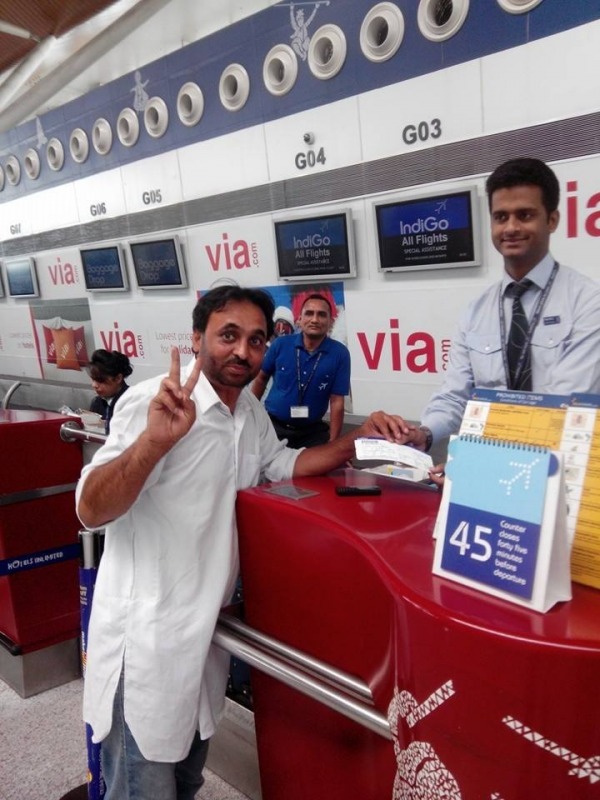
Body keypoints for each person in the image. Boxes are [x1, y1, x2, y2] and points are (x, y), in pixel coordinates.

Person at [76, 285, 402, 800]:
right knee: (143, 789)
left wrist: (363, 443)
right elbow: (90, 508)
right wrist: (155, 442)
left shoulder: (247, 415)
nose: (243, 351)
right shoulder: (155, 402)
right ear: (197, 337)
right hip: (148, 647)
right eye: (228, 335)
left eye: (255, 339)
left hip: (208, 641)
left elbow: (285, 465)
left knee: (185, 783)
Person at [376, 157, 600, 457]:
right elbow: (455, 396)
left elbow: (568, 404)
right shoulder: (475, 313)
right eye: (501, 217)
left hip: (563, 474)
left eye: (525, 215)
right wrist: (426, 434)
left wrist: (478, 467)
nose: (511, 228)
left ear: (552, 219)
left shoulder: (587, 302)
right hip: (491, 467)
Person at [251, 293, 351, 448]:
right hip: (273, 429)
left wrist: (333, 443)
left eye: (321, 315)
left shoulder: (340, 353)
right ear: (299, 319)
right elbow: (260, 379)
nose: (315, 320)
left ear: (331, 322)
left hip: (312, 434)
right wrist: (250, 418)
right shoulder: (280, 345)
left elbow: (337, 401)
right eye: (309, 313)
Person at [89, 349, 133, 434]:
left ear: (118, 378)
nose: (94, 385)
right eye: (93, 379)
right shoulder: (97, 402)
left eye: (100, 380)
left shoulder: (132, 401)